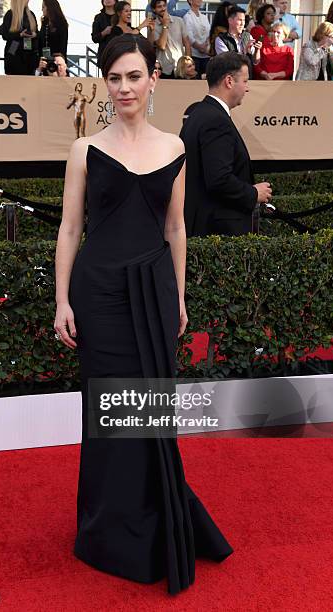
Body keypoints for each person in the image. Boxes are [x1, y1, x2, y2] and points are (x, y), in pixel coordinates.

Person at [54, 33, 233, 595]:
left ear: (154, 78)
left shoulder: (175, 148)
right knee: (108, 413)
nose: (124, 87)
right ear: (105, 83)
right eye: (115, 77)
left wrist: (178, 296)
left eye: (134, 76)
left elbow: (176, 228)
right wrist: (62, 299)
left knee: (149, 413)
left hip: (154, 291)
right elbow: (69, 228)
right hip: (100, 295)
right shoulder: (84, 149)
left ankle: (155, 520)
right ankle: (107, 530)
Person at [179, 52, 272, 237]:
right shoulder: (215, 120)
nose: (247, 89)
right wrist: (253, 193)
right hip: (218, 232)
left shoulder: (201, 114)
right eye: (245, 81)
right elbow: (219, 179)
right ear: (229, 81)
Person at [149, 0, 191, 78]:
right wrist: (165, 25)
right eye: (159, 7)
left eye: (164, 5)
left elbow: (187, 44)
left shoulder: (179, 21)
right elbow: (162, 46)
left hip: (180, 67)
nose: (163, 8)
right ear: (154, 9)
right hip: (164, 68)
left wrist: (188, 64)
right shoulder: (153, 25)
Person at [215, 5, 262, 71]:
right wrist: (244, 51)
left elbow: (255, 61)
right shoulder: (221, 39)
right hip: (231, 77)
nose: (242, 23)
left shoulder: (248, 36)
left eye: (244, 20)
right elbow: (227, 62)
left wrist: (257, 50)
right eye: (240, 20)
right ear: (230, 20)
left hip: (247, 77)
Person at [0, 0, 39, 75]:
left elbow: (37, 32)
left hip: (29, 53)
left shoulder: (31, 14)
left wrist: (34, 35)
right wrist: (20, 35)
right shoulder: (10, 14)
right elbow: (5, 35)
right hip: (14, 48)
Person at [183, 0, 210, 77]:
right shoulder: (187, 17)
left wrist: (205, 46)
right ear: (190, 1)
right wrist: (199, 47)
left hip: (206, 55)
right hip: (195, 56)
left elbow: (209, 33)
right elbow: (189, 36)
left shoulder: (204, 17)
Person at [91, 0, 116, 67]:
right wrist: (104, 33)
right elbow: (94, 38)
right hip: (104, 53)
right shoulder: (99, 17)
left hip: (119, 53)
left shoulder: (120, 16)